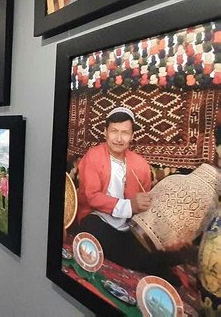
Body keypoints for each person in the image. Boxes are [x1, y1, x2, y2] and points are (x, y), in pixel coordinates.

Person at [76, 106, 190, 283]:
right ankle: (158, 267)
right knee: (97, 231)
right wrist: (128, 205)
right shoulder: (93, 156)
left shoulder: (140, 165)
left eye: (125, 133)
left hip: (128, 225)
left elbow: (143, 202)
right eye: (114, 131)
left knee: (138, 242)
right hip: (97, 218)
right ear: (105, 132)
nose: (119, 138)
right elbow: (91, 196)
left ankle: (159, 259)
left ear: (132, 136)